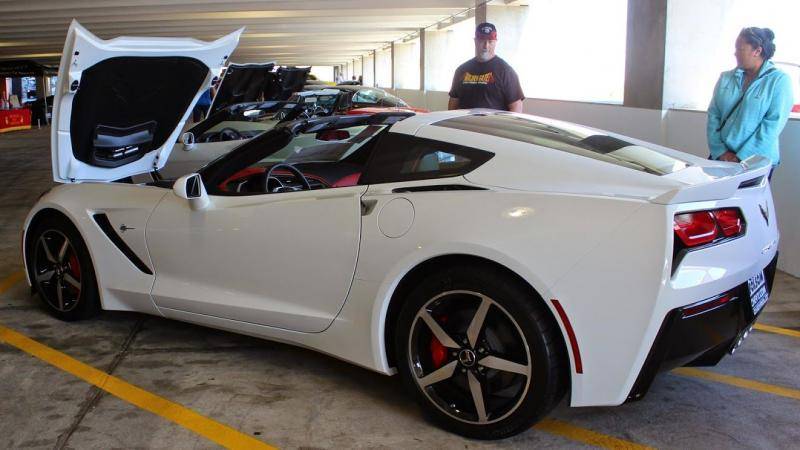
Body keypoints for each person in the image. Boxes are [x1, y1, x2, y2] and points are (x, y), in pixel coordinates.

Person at [707, 27, 793, 169]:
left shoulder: (779, 81)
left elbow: (772, 125)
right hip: (721, 157)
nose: (735, 53)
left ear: (757, 51)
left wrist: (741, 158)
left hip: (755, 162)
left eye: (740, 49)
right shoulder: (725, 78)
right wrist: (721, 151)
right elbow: (713, 115)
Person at [448, 22, 524, 112]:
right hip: (465, 121)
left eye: (490, 42)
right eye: (482, 41)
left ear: (495, 42)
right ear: (475, 41)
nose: (486, 46)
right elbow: (453, 104)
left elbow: (516, 107)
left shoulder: (506, 71)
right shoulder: (461, 70)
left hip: (493, 121)